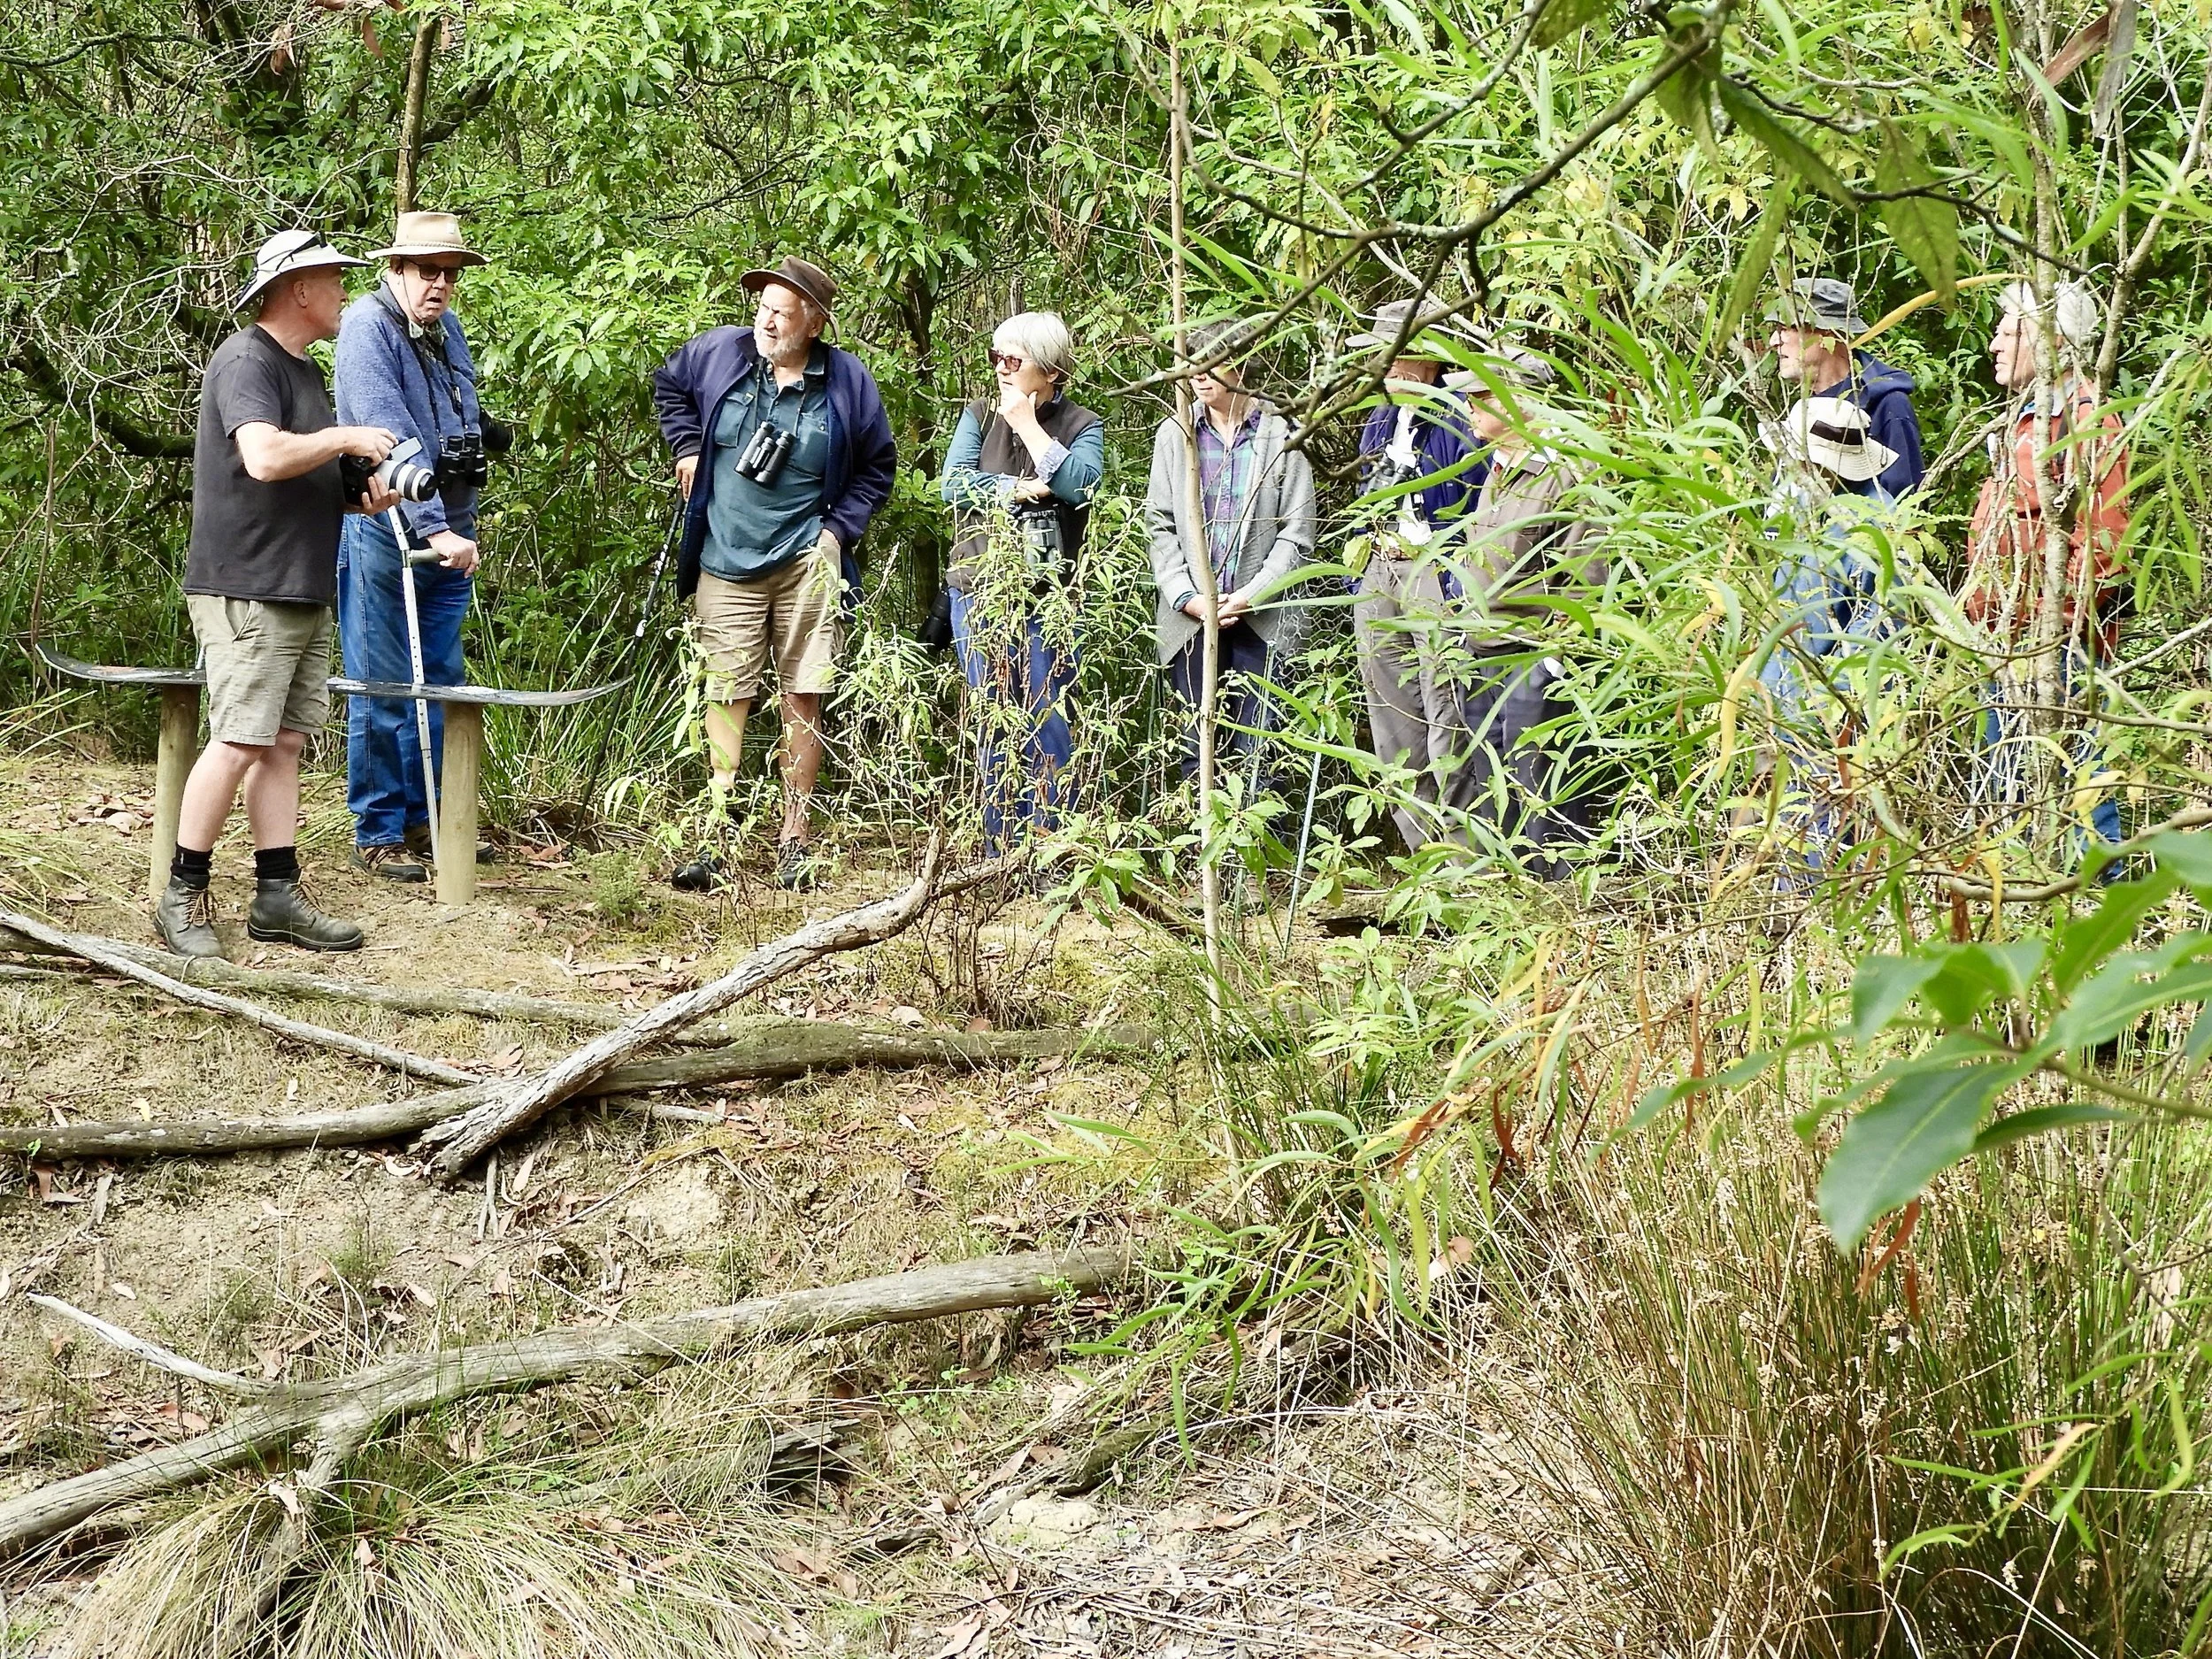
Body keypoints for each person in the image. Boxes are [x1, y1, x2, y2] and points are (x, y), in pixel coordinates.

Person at [157, 230, 402, 959]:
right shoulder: (246, 359)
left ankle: (276, 894)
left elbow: (298, 471)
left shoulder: (305, 372)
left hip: (299, 584)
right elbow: (263, 456)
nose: (345, 297)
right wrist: (344, 437)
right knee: (237, 740)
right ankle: (181, 893)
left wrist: (359, 494)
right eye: (335, 282)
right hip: (248, 586)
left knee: (285, 742)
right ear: (299, 288)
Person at [652, 256, 897, 891]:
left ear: (813, 324)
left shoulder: (846, 382)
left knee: (804, 693)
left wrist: (836, 532)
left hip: (804, 563)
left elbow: (877, 465)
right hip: (724, 559)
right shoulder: (719, 354)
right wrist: (685, 447)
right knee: (724, 691)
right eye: (761, 306)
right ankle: (715, 832)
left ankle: (794, 837)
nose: (764, 320)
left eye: (780, 312)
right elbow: (668, 385)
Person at [334, 211, 490, 883]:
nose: (441, 284)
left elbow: (462, 414)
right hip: (389, 530)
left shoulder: (442, 326)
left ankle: (431, 817)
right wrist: (440, 529)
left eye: (451, 274)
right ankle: (379, 829)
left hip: (450, 529)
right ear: (396, 268)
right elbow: (389, 438)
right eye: (429, 271)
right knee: (384, 683)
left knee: (443, 682)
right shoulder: (366, 328)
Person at [1960, 280, 2130, 849]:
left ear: (2055, 339)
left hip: (2056, 643)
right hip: (2008, 637)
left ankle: (2100, 905)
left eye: (2011, 330)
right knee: (2006, 783)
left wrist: (2050, 625)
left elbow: (2104, 538)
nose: (1994, 344)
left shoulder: (2084, 418)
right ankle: (2018, 899)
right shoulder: (2030, 417)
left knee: (2079, 779)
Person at [941, 311, 1106, 849]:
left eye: (1013, 360)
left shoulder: (1082, 423)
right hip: (978, 585)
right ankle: (998, 850)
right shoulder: (977, 412)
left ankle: (1050, 849)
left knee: (1048, 714)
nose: (1001, 370)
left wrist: (1030, 428)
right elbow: (952, 486)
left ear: (1052, 369)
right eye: (996, 357)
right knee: (992, 715)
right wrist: (1019, 489)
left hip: (1051, 594)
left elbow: (1082, 486)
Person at [1443, 349, 1603, 870]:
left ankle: (1561, 903)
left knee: (1543, 789)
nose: (1469, 404)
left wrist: (1556, 658)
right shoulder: (1499, 468)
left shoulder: (1566, 474)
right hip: (1483, 650)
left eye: (1482, 394)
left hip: (1534, 655)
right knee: (1495, 784)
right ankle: (1512, 900)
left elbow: (1586, 573)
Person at [1144, 318, 1316, 787]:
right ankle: (1201, 855)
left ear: (1240, 365)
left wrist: (1250, 596)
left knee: (1262, 748)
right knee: (1197, 748)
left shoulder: (1283, 433)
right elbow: (1158, 523)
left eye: (1210, 364)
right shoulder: (1175, 434)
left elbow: (1297, 534)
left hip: (1263, 619)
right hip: (1192, 619)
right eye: (1191, 365)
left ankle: (1261, 856)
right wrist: (1187, 597)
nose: (1197, 375)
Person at [1347, 296, 1487, 854]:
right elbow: (1365, 493)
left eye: (1402, 357)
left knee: (1446, 716)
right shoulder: (1383, 415)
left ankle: (1467, 860)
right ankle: (1426, 856)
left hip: (1438, 576)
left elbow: (1479, 506)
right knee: (1393, 723)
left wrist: (1456, 585)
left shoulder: (1460, 414)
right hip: (1381, 570)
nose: (1391, 369)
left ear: (1431, 359)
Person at [1753, 395, 1902, 866]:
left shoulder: (1872, 521)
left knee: (1828, 814)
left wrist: (1834, 700)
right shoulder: (1801, 506)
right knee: (1783, 814)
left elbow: (1880, 619)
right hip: (1784, 689)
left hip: (1830, 698)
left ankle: (1825, 914)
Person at [1764, 276, 1925, 499]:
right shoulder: (1807, 406)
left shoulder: (1887, 405)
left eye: (1785, 328)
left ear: (1827, 333)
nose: (1774, 341)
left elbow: (1907, 509)